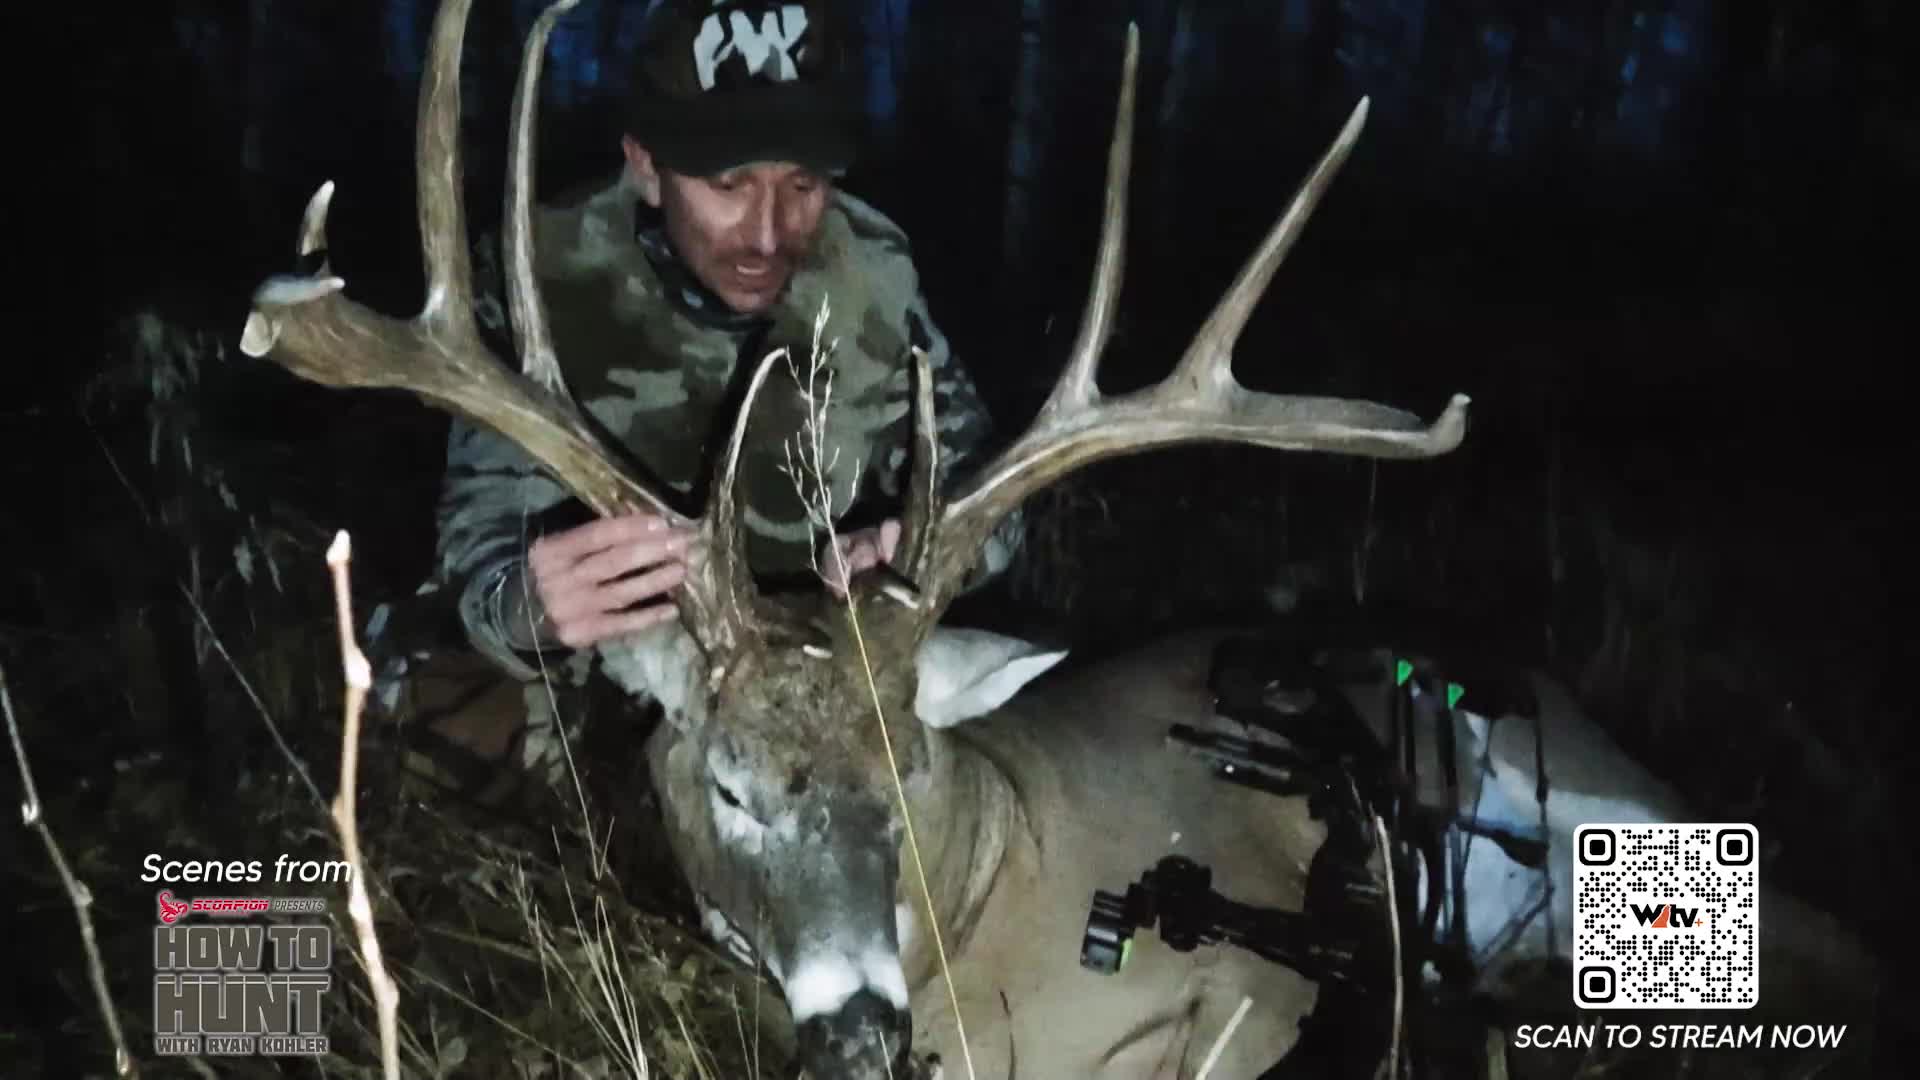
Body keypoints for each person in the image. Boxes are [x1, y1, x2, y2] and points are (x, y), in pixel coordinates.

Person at [429, 0, 1021, 735]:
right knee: (438, 708)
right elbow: (478, 540)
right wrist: (524, 606)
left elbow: (997, 495)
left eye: (802, 185)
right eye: (728, 185)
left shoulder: (875, 278)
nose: (768, 237)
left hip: (817, 670)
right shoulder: (540, 281)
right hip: (625, 673)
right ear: (647, 167)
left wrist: (927, 543)